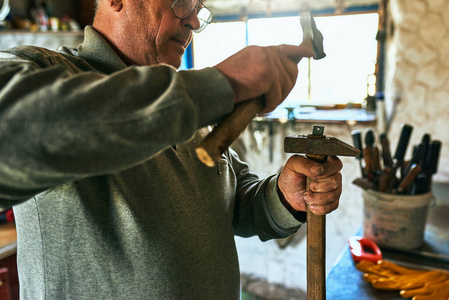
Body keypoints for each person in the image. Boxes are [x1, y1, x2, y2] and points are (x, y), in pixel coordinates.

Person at [0, 0, 343, 299]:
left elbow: (234, 204)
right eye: (182, 1)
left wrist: (284, 197)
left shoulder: (188, 101)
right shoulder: (43, 71)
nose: (194, 22)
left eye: (199, 8)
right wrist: (221, 84)